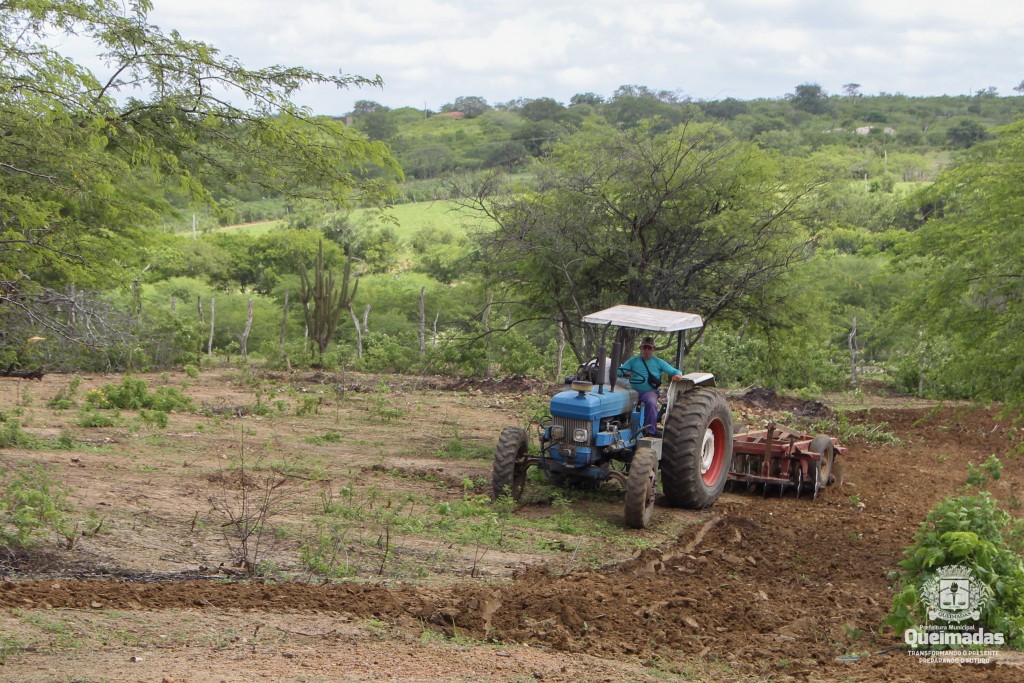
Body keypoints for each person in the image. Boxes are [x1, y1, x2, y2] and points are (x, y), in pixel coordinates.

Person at [618, 337, 683, 436]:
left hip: (649, 392)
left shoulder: (658, 362)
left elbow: (675, 371)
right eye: (645, 347)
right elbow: (620, 371)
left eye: (649, 348)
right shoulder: (633, 361)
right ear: (641, 349)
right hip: (632, 391)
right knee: (618, 399)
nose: (647, 350)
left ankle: (649, 432)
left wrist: (678, 375)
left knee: (651, 403)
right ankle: (620, 426)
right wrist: (614, 371)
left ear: (653, 349)